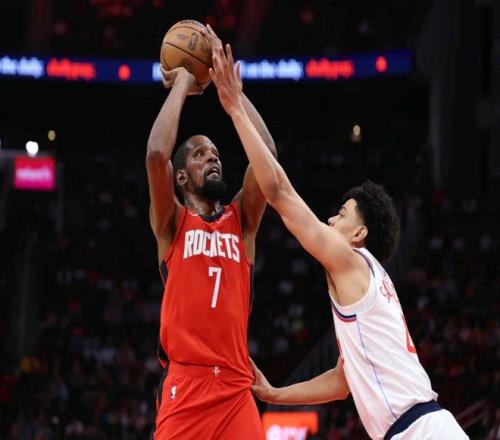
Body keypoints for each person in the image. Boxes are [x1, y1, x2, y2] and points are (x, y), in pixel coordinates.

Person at [208, 42, 469, 439]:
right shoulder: (367, 283)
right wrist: (275, 394)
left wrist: (234, 108)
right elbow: (342, 382)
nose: (331, 219)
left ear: (359, 235)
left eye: (342, 214)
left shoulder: (351, 261)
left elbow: (277, 192)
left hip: (420, 430)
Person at [145, 25, 276, 440]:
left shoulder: (242, 220)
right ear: (181, 177)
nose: (213, 158)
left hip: (236, 386)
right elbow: (156, 155)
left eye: (215, 154)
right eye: (200, 155)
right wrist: (183, 84)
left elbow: (268, 157)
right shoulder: (172, 223)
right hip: (187, 384)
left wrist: (231, 94)